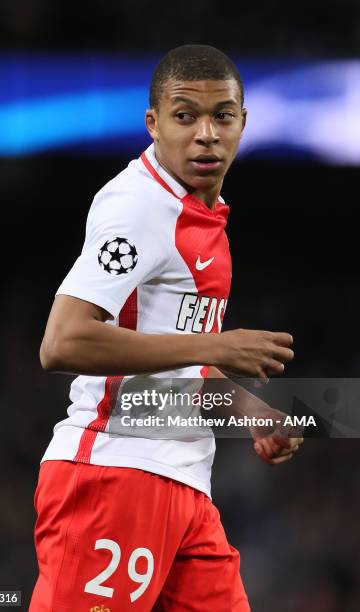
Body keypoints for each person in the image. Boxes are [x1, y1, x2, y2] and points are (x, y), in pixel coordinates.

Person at [29, 45, 302, 612]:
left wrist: (248, 409)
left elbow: (171, 370)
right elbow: (63, 341)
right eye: (185, 116)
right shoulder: (137, 208)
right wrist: (216, 345)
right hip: (112, 476)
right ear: (153, 123)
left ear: (243, 122)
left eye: (222, 116)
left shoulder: (204, 214)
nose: (206, 134)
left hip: (185, 488)